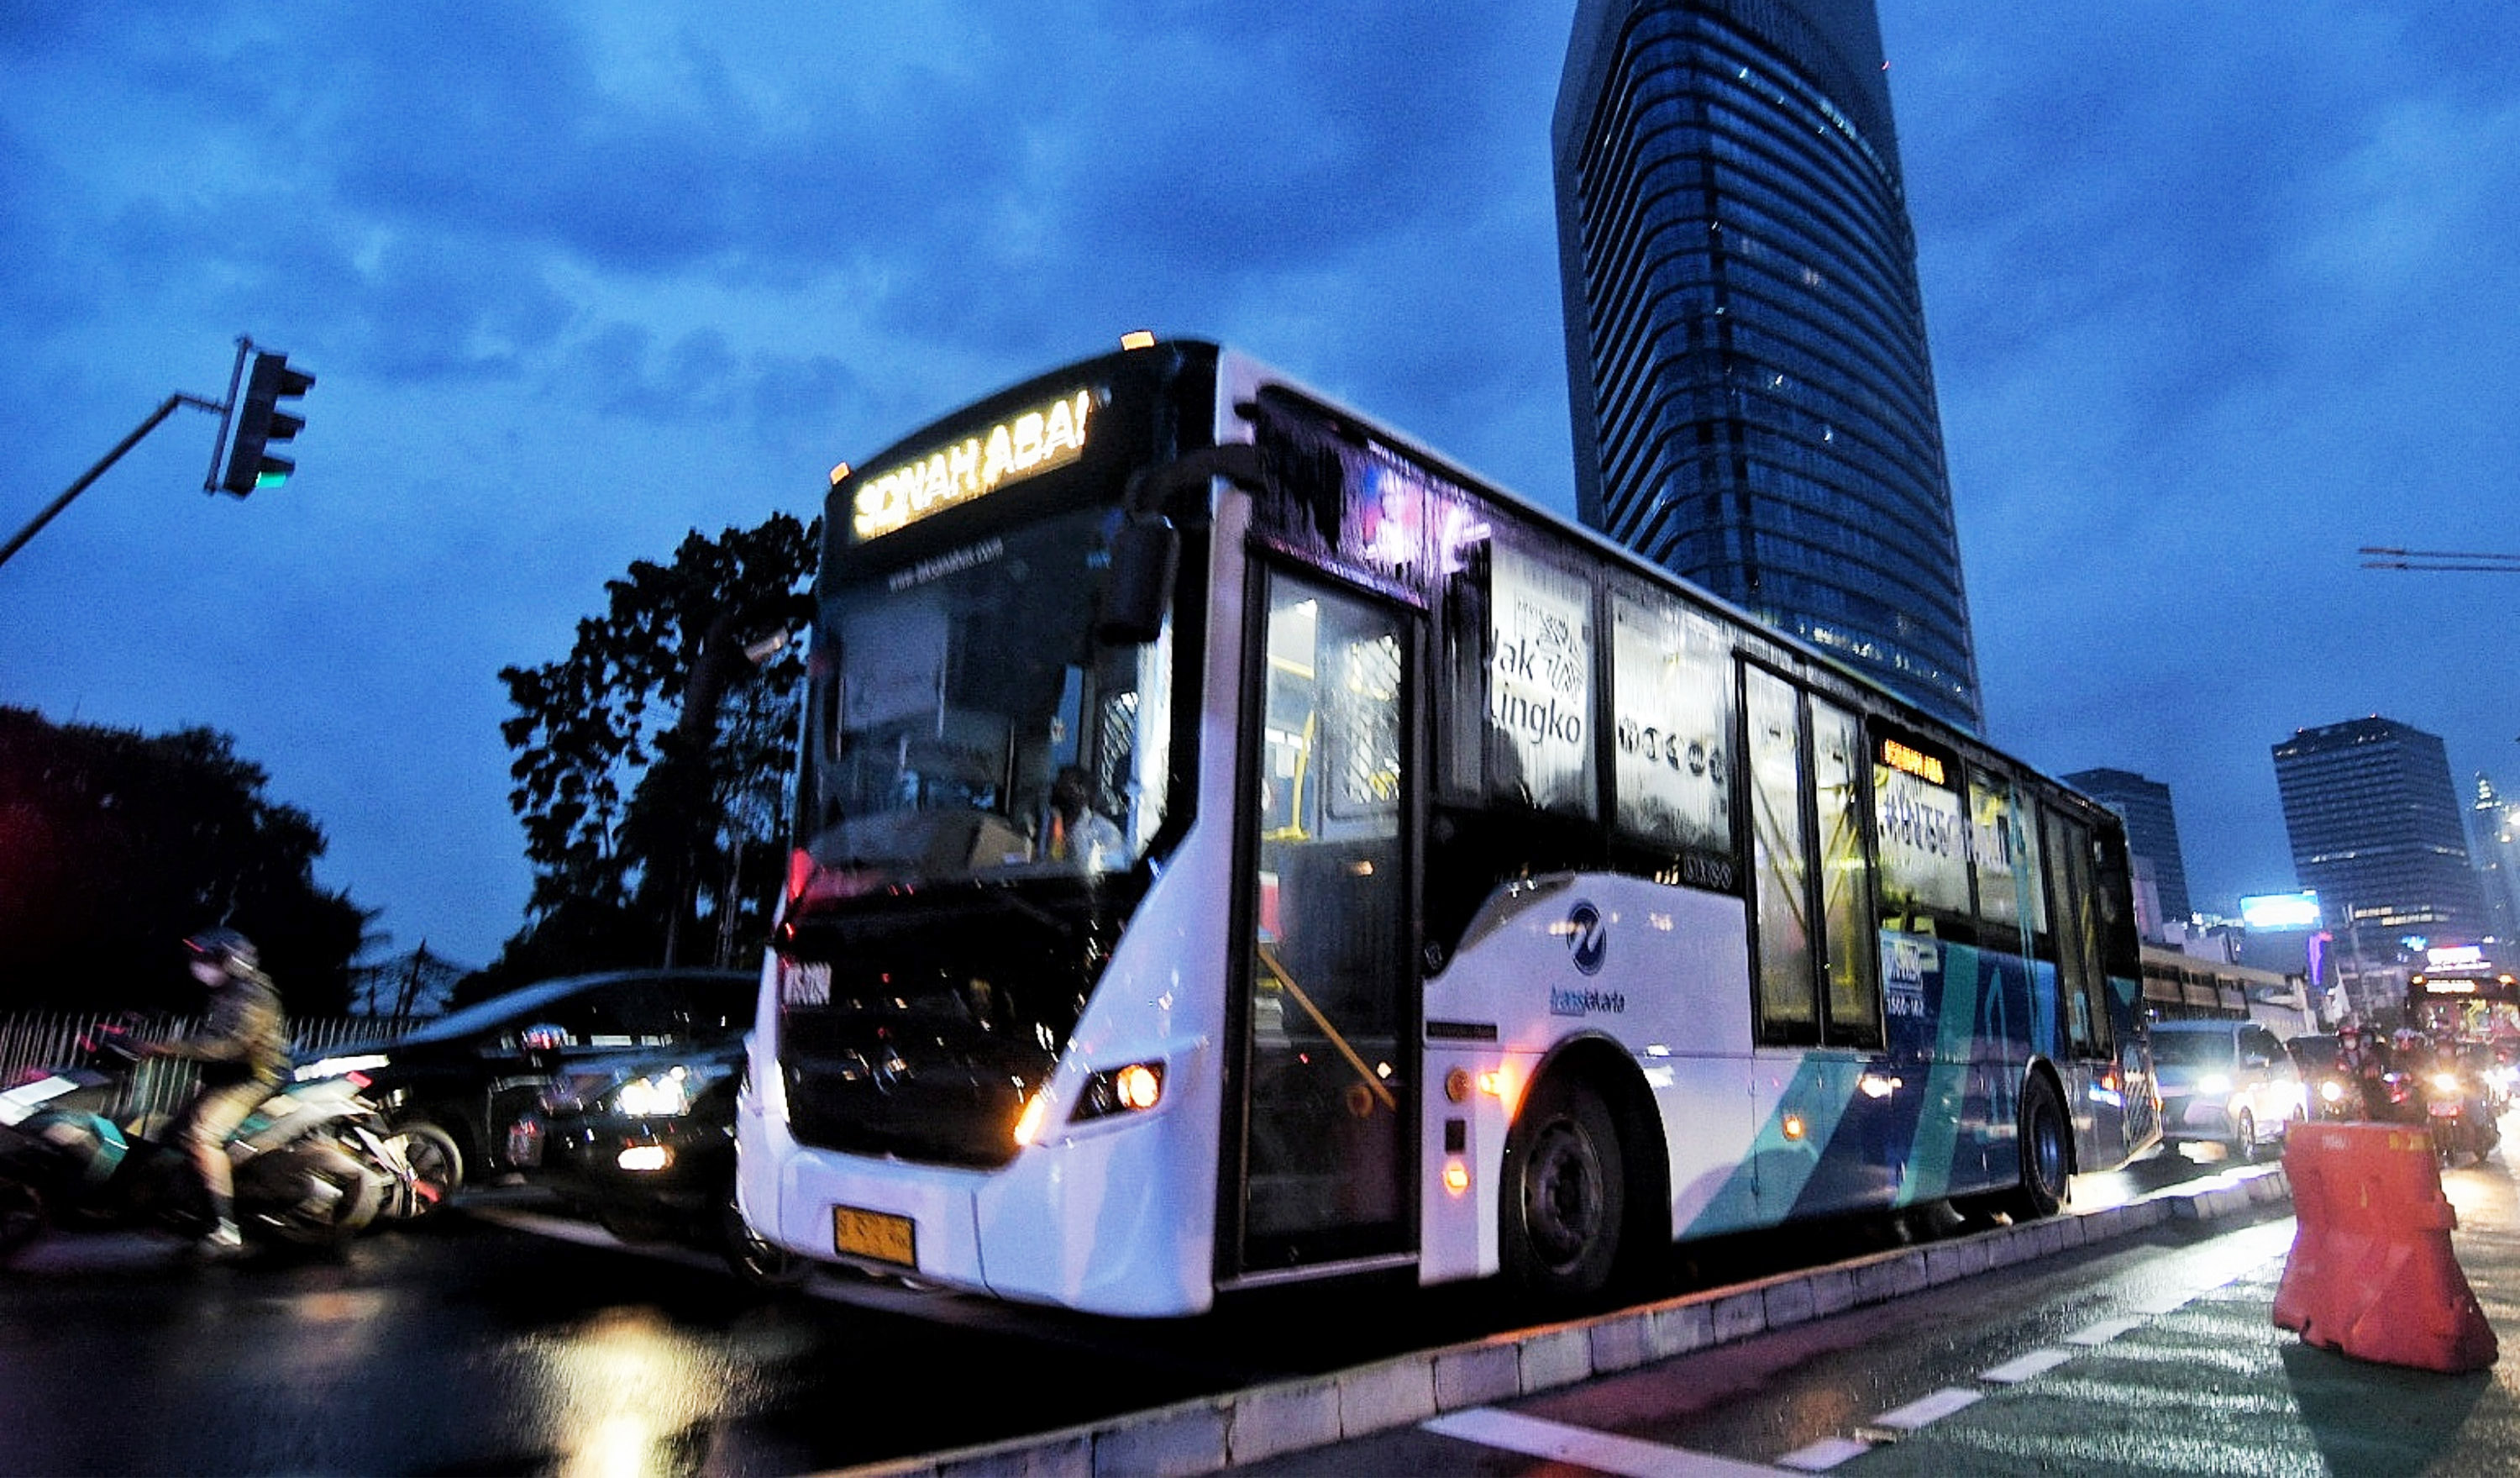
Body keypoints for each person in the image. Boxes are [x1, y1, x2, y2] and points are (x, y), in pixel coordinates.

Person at [141, 928, 289, 1257]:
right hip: (227, 1078)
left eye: (208, 959)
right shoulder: (227, 993)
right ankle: (181, 1212)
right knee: (170, 1134)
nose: (200, 966)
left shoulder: (254, 996)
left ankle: (224, 1228)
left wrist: (165, 1048)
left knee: (202, 1136)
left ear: (231, 960)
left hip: (256, 1078)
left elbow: (230, 1045)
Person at [1047, 765, 1126, 870]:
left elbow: (1090, 868)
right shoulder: (1048, 823)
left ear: (1084, 793)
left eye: (1068, 789)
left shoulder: (1105, 831)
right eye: (1060, 786)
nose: (1062, 792)